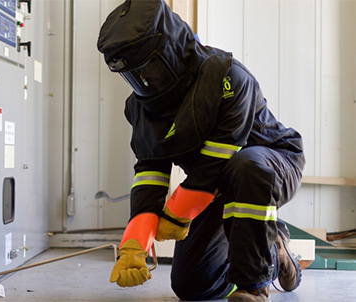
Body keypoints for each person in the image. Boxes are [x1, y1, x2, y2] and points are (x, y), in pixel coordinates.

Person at [97, 1, 305, 301]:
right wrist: (135, 240)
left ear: (172, 50)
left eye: (150, 68)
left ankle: (253, 285)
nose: (146, 81)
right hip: (213, 186)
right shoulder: (141, 106)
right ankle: (275, 247)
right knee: (191, 286)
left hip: (272, 164)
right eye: (134, 74)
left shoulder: (228, 77)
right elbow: (149, 171)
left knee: (246, 165)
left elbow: (219, 160)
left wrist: (177, 213)